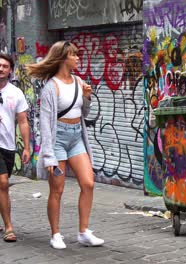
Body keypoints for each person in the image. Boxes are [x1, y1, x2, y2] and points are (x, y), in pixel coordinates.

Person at [26, 41, 104, 249]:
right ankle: (56, 234)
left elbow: (84, 114)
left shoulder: (78, 81)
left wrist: (86, 97)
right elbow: (44, 125)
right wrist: (49, 155)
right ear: (62, 58)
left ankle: (84, 232)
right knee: (57, 190)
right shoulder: (51, 88)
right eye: (74, 55)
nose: (78, 58)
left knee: (88, 183)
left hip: (76, 137)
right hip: (57, 139)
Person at [0, 53, 30, 243]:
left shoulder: (15, 93)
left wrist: (26, 147)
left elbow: (23, 121)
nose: (0, 68)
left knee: (1, 184)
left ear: (10, 70)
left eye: (4, 66)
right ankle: (9, 227)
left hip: (8, 145)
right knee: (3, 183)